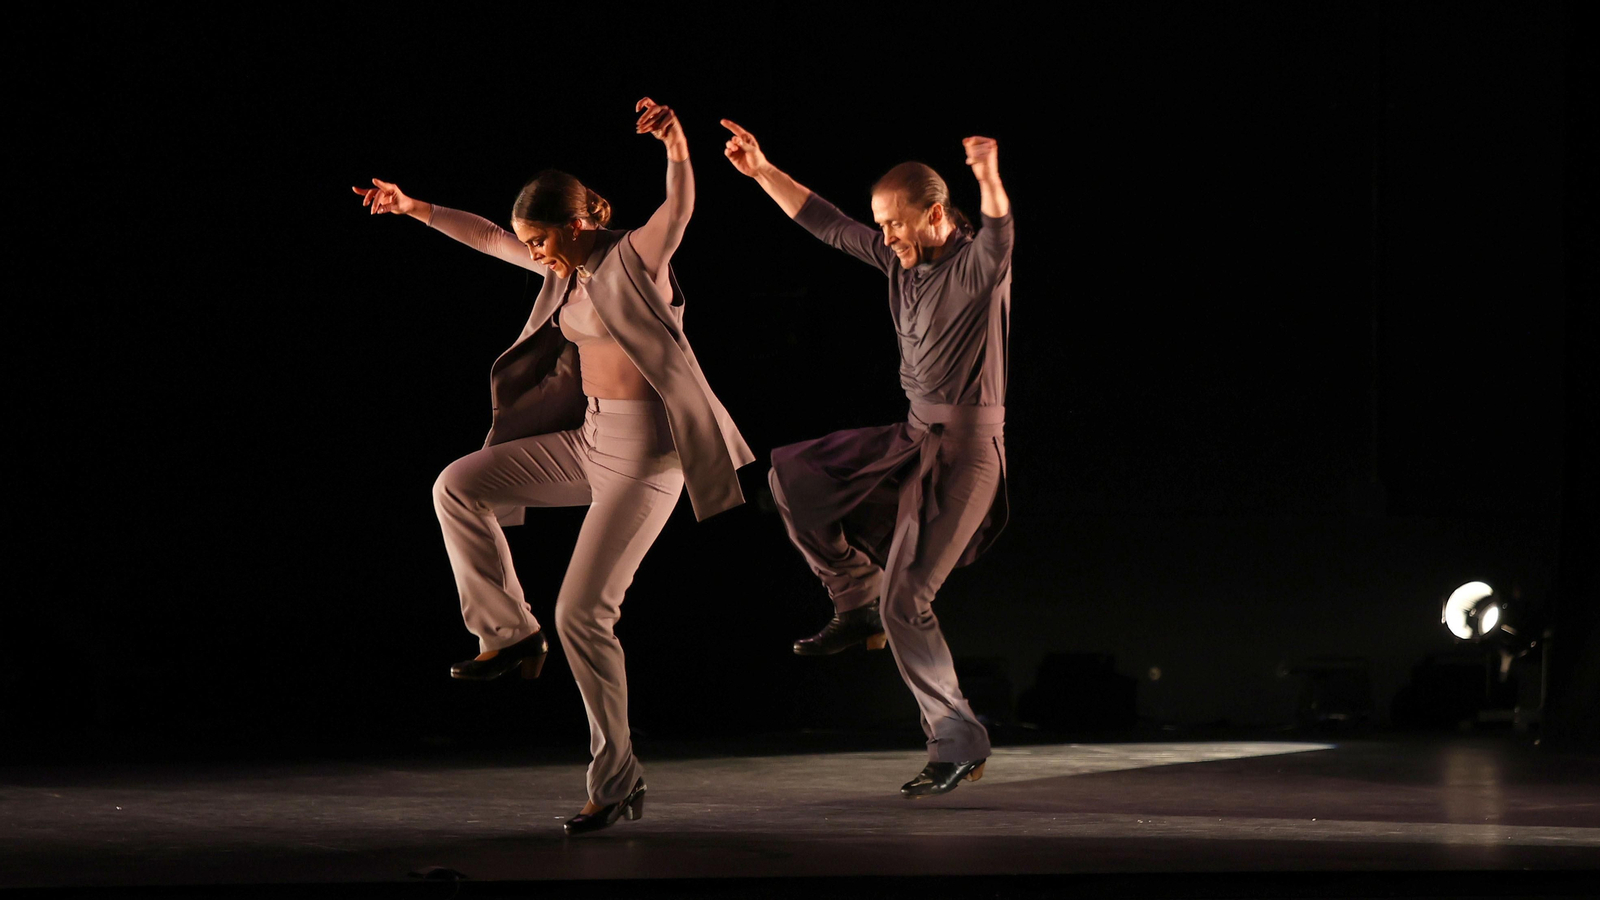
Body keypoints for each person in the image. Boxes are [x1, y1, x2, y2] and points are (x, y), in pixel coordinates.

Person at [353, 99, 753, 834]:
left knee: (584, 615)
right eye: (530, 243)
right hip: (589, 441)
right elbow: (485, 237)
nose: (532, 252)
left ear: (576, 224)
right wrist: (413, 208)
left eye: (541, 240)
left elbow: (681, 207)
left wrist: (677, 147)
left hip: (647, 461)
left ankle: (616, 778)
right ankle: (508, 633)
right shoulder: (558, 269)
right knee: (459, 484)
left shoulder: (637, 257)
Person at [722, 119, 1013, 798]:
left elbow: (1000, 229)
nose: (883, 235)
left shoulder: (978, 265)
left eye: (895, 223)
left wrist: (988, 174)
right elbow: (826, 222)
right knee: (792, 473)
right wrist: (762, 169)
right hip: (911, 437)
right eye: (880, 224)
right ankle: (853, 595)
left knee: (909, 599)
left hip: (968, 454)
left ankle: (957, 738)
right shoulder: (894, 260)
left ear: (935, 213)